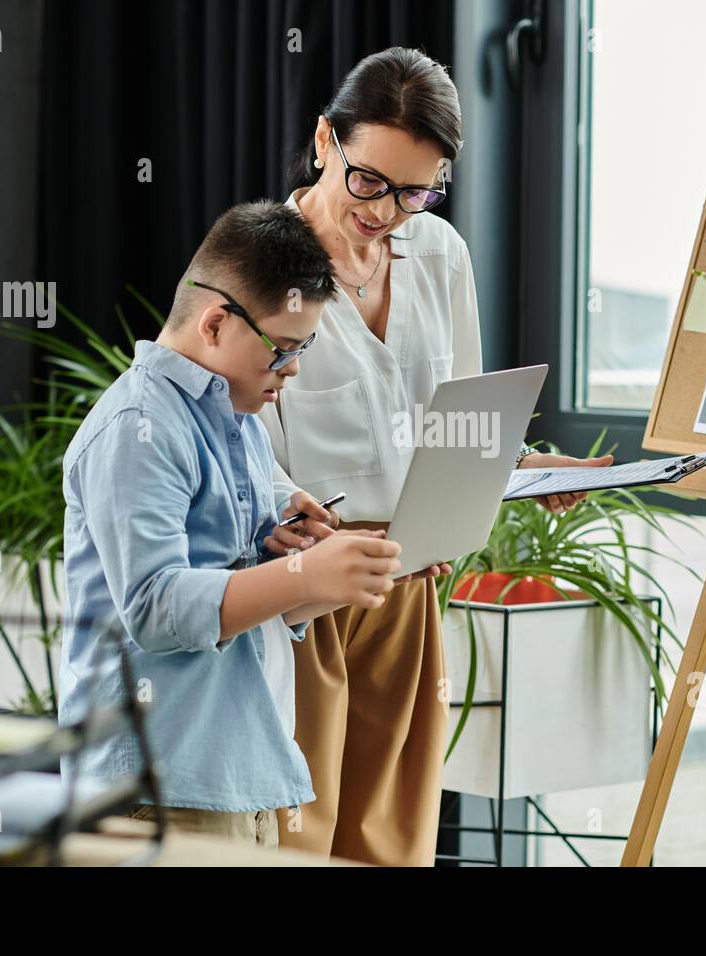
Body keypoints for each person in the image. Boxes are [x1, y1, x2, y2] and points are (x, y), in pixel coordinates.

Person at [260, 48, 611, 866]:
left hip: (410, 586)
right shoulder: (259, 263)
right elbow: (228, 440)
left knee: (392, 845)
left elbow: (457, 425)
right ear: (324, 142)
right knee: (294, 842)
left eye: (415, 190)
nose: (386, 211)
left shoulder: (441, 255)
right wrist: (284, 512)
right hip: (299, 597)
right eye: (370, 182)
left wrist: (530, 469)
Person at [57, 200, 402, 850]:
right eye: (284, 349)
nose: (293, 369)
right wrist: (301, 570)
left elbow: (255, 602)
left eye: (305, 348)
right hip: (159, 790)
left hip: (240, 778)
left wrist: (362, 570)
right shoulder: (137, 429)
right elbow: (157, 609)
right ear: (216, 323)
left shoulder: (240, 424)